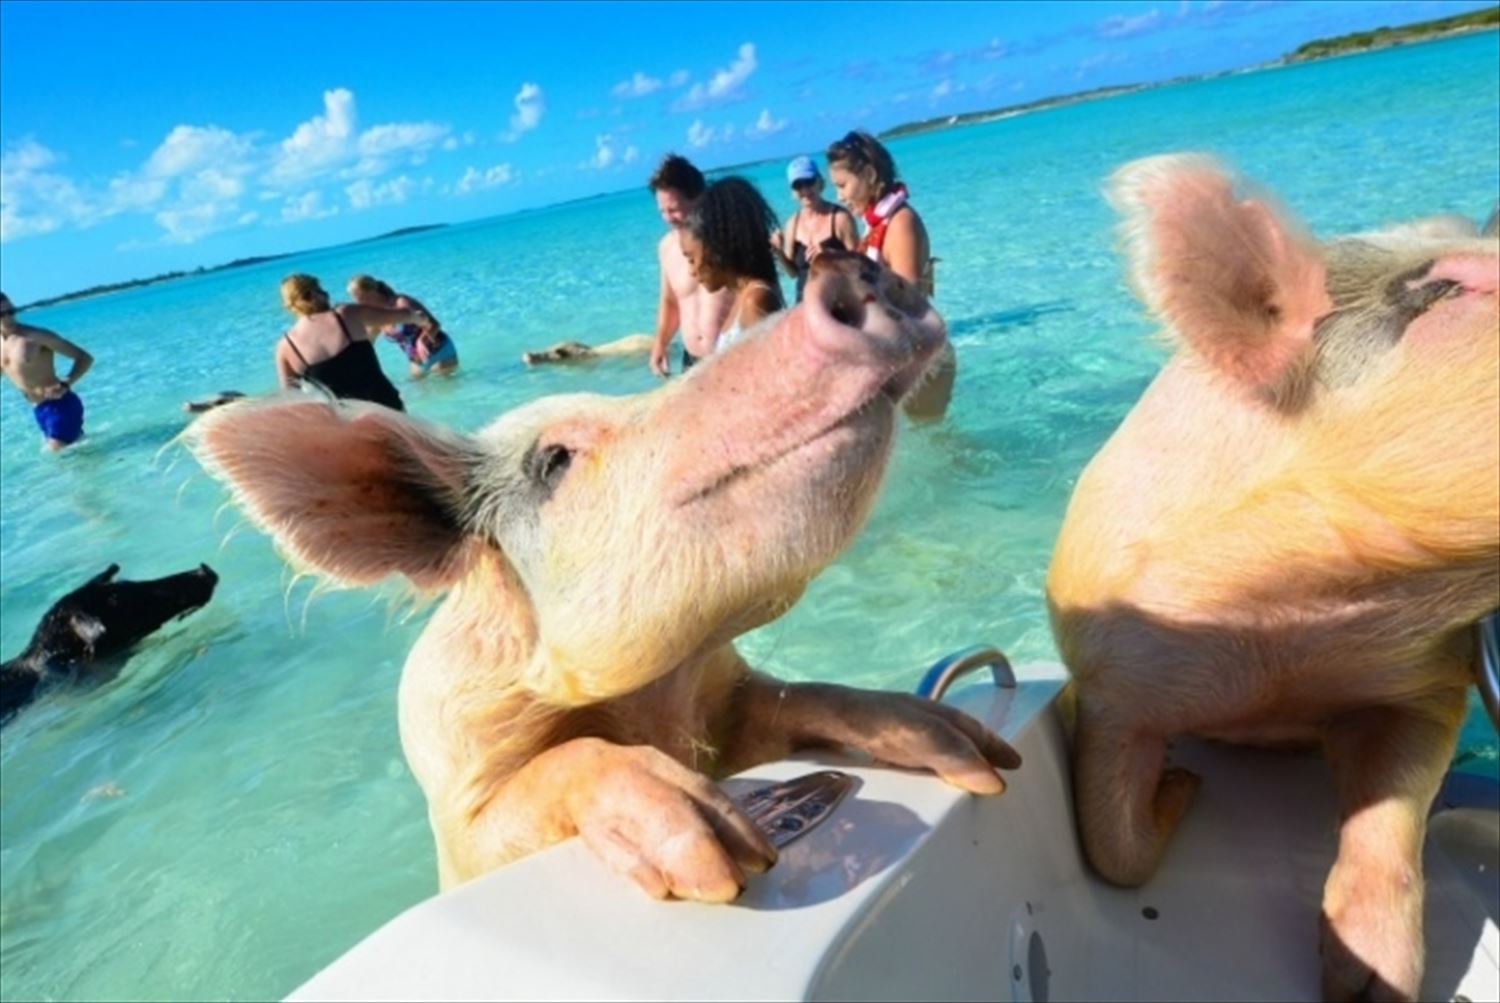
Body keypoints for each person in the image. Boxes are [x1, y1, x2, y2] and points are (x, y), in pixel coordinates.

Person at [826, 130, 954, 420]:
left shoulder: (900, 223)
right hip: (905, 358)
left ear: (870, 174)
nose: (839, 196)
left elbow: (908, 300)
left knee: (936, 444)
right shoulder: (877, 225)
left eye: (843, 185)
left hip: (921, 360)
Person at [275, 275, 427, 412]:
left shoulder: (285, 347)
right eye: (320, 289)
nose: (326, 293)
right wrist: (419, 318)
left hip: (348, 426)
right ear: (314, 293)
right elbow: (404, 316)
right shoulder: (346, 314)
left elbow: (292, 401)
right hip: (389, 411)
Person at [647, 154, 734, 376]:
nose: (668, 218)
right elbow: (670, 302)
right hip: (692, 362)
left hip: (735, 357)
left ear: (699, 197)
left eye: (674, 209)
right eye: (662, 211)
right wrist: (660, 343)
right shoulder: (666, 247)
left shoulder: (730, 238)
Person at [679, 178, 786, 354]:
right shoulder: (743, 298)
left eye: (692, 259)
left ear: (717, 248)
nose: (692, 271)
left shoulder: (756, 301)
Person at [0, 291, 95, 450]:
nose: (8, 317)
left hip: (60, 404)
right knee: (79, 459)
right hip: (39, 410)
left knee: (57, 456)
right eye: (2, 314)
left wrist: (66, 382)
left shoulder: (36, 336)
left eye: (11, 311)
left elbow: (84, 357)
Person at [770, 156, 859, 303]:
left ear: (819, 182)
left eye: (809, 182)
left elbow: (860, 265)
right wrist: (778, 251)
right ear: (793, 191)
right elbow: (793, 273)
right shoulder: (792, 224)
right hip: (803, 305)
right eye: (798, 185)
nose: (805, 190)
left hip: (839, 304)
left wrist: (832, 257)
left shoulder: (839, 218)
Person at [346, 275, 459, 379]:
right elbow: (368, 342)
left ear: (371, 292)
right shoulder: (376, 316)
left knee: (445, 392)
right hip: (416, 360)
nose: (356, 302)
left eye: (357, 296)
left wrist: (422, 340)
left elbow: (434, 324)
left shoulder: (401, 303)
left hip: (439, 351)